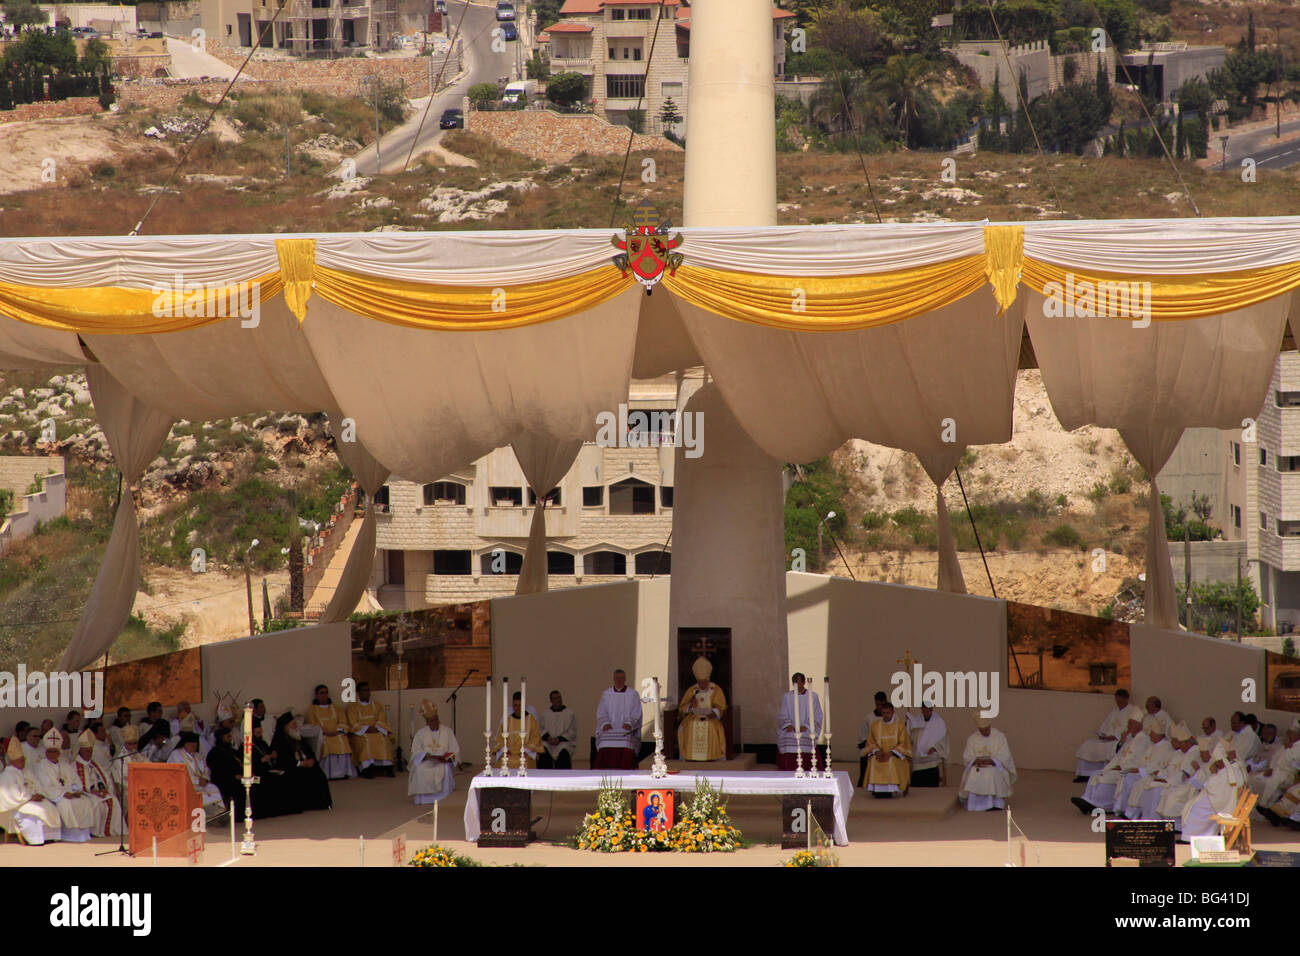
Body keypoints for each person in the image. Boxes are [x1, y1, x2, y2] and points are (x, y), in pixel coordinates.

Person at [1070, 707, 1146, 814]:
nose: (1128, 726)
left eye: (1130, 724)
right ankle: (1087, 800)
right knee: (1096, 774)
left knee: (1106, 777)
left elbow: (1140, 760)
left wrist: (1122, 767)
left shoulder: (1144, 740)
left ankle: (1101, 805)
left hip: (1126, 769)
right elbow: (1120, 754)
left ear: (1138, 726)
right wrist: (1122, 742)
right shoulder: (1130, 738)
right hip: (1118, 766)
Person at [28, 729, 97, 842]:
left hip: (70, 794)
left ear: (59, 753)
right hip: (56, 796)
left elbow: (75, 780)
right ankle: (70, 835)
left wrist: (76, 791)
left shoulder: (65, 765)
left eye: (55, 751)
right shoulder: (41, 766)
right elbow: (46, 786)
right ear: (46, 752)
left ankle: (83, 834)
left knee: (85, 801)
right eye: (50, 751)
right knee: (66, 804)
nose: (52, 754)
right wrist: (63, 794)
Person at [1124, 722, 1196, 819]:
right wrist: (1160, 775)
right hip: (1170, 781)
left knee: (1155, 789)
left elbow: (1183, 774)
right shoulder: (1178, 753)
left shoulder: (1193, 753)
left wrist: (1166, 780)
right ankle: (1145, 817)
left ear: (1186, 742)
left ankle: (1154, 819)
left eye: (1176, 741)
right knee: (1147, 785)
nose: (1173, 743)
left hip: (1181, 784)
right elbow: (1168, 768)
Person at [0, 735, 60, 845]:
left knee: (50, 807)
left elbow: (37, 784)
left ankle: (49, 837)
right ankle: (35, 839)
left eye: (24, 760)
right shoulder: (7, 775)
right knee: (38, 811)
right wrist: (31, 797)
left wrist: (39, 794)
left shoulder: (26, 771)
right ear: (13, 761)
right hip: (18, 805)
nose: (23, 763)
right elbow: (12, 796)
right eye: (20, 760)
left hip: (32, 799)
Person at [1179, 741, 1244, 841]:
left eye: (1217, 762)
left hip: (1222, 803)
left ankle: (1192, 837)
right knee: (1194, 803)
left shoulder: (1226, 772)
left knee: (1194, 807)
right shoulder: (1235, 769)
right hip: (1225, 800)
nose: (1216, 765)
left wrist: (1214, 774)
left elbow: (1210, 786)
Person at [272, 712, 332, 811]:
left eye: (296, 724)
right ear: (285, 728)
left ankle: (320, 803)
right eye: (293, 725)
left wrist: (311, 760)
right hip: (292, 768)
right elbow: (282, 761)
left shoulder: (298, 737)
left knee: (318, 773)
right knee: (299, 775)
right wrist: (300, 764)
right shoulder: (280, 741)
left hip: (305, 764)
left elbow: (310, 752)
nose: (296, 727)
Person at [959, 716, 1016, 811]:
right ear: (978, 729)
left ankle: (995, 804)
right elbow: (967, 757)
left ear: (990, 726)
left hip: (995, 766)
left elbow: (1005, 755)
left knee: (992, 772)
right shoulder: (972, 739)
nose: (985, 732)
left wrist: (993, 761)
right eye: (982, 730)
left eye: (986, 729)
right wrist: (976, 761)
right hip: (978, 766)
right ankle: (976, 805)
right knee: (973, 772)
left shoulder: (999, 736)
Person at [1074, 689, 1132, 781]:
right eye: (1116, 701)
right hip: (1107, 738)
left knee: (1110, 747)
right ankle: (1084, 774)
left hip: (1118, 740)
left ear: (1126, 699)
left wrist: (1115, 737)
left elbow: (1130, 730)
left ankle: (1103, 773)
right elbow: (1105, 725)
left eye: (1120, 701)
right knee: (1088, 744)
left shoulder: (1132, 711)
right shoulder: (1114, 711)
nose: (1118, 704)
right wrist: (1103, 734)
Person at [409, 700, 459, 804]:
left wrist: (450, 757)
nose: (434, 722)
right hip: (427, 760)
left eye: (436, 719)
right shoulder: (421, 733)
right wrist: (425, 755)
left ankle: (443, 797)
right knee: (419, 769)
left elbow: (455, 749)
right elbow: (415, 750)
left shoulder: (447, 731)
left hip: (443, 761)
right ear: (427, 722)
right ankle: (423, 799)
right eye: (431, 721)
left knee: (444, 768)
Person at [168, 732, 227, 820]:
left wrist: (205, 779)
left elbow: (206, 769)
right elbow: (177, 773)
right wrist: (197, 781)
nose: (195, 748)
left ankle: (218, 812)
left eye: (196, 746)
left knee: (213, 788)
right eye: (192, 746)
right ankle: (208, 815)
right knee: (202, 794)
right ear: (186, 744)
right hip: (185, 784)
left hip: (201, 783)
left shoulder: (198, 755)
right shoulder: (176, 755)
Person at [677, 656, 726, 762]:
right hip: (693, 717)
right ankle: (690, 756)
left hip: (711, 717)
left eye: (704, 682)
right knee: (689, 725)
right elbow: (682, 709)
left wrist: (714, 712)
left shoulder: (716, 689)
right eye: (700, 682)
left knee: (712, 726)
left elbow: (721, 707)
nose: (702, 685)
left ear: (708, 679)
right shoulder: (692, 690)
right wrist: (690, 704)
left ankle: (712, 756)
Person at [72, 729, 119, 836]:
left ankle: (110, 831)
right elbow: (75, 784)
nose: (89, 753)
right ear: (80, 750)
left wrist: (104, 789)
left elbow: (105, 779)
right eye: (87, 751)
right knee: (97, 803)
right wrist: (91, 792)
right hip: (87, 794)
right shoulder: (74, 766)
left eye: (91, 751)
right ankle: (96, 832)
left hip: (99, 792)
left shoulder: (94, 764)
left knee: (113, 801)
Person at [594, 670, 642, 770]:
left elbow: (636, 711)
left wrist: (629, 723)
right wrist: (605, 723)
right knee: (604, 740)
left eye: (621, 678)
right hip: (609, 729)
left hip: (627, 729)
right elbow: (601, 711)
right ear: (613, 679)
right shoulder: (606, 694)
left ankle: (625, 768)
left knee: (626, 740)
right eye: (617, 678)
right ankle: (604, 769)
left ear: (625, 679)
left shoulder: (633, 694)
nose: (619, 681)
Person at [306, 684, 356, 780]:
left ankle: (343, 773)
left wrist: (337, 731)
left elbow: (343, 721)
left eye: (326, 693)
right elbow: (311, 724)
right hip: (323, 735)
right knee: (327, 743)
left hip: (337, 733)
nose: (324, 695)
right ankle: (329, 774)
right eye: (321, 693)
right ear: (316, 695)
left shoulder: (336, 707)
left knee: (342, 741)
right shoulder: (312, 710)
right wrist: (325, 732)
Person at [346, 682, 394, 778]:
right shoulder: (352, 707)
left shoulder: (377, 705)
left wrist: (375, 728)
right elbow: (353, 722)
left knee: (383, 739)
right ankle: (366, 768)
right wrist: (367, 728)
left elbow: (382, 719)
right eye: (364, 690)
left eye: (368, 690)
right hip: (361, 733)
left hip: (376, 731)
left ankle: (387, 766)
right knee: (366, 741)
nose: (367, 693)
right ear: (358, 693)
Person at [863, 701, 912, 797]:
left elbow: (904, 743)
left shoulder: (899, 725)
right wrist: (877, 752)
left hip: (895, 755)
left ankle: (891, 789)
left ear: (893, 712)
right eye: (884, 713)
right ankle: (878, 791)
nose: (886, 715)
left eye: (888, 713)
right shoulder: (875, 725)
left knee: (891, 762)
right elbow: (871, 742)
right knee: (873, 761)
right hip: (880, 754)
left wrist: (890, 753)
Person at [776, 673, 823, 772]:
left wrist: (806, 726)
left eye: (799, 682)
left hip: (806, 729)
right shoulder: (787, 697)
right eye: (795, 683)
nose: (797, 685)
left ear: (804, 682)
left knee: (807, 736)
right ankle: (788, 767)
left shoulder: (812, 696)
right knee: (787, 736)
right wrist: (788, 725)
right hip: (791, 728)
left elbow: (817, 714)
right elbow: (782, 714)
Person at [1248, 722, 1300, 808]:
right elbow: (1276, 758)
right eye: (1288, 733)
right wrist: (1271, 768)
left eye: (1291, 734)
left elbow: (1289, 762)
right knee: (1253, 779)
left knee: (1274, 779)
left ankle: (1263, 804)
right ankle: (1255, 804)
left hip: (1288, 774)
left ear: (1298, 736)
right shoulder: (1287, 745)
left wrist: (1288, 748)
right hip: (1276, 770)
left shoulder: (1297, 747)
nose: (1289, 735)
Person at [491, 692, 542, 770]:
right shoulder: (507, 720)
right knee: (503, 762)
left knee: (525, 762)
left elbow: (535, 737)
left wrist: (526, 751)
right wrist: (505, 750)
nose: (517, 708)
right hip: (509, 752)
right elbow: (500, 737)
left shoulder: (531, 720)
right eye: (515, 705)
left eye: (520, 705)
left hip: (525, 753)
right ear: (512, 706)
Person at [907, 705, 949, 787]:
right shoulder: (917, 721)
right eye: (923, 711)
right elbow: (911, 737)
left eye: (927, 711)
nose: (925, 713)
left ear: (931, 709)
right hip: (918, 763)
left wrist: (935, 748)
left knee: (931, 790)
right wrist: (908, 724)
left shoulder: (939, 723)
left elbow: (943, 739)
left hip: (931, 762)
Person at [537, 690, 578, 770]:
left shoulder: (569, 714)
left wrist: (559, 739)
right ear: (551, 701)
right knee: (543, 749)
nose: (558, 700)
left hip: (562, 743)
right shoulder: (545, 714)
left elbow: (572, 731)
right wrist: (548, 738)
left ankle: (563, 777)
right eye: (555, 698)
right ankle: (544, 776)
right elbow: (540, 729)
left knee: (564, 751)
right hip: (548, 743)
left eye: (559, 698)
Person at [857, 692, 888, 787]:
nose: (879, 707)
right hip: (872, 748)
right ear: (875, 703)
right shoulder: (869, 718)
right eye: (878, 704)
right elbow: (863, 737)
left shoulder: (892, 717)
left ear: (885, 702)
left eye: (882, 704)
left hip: (887, 749)